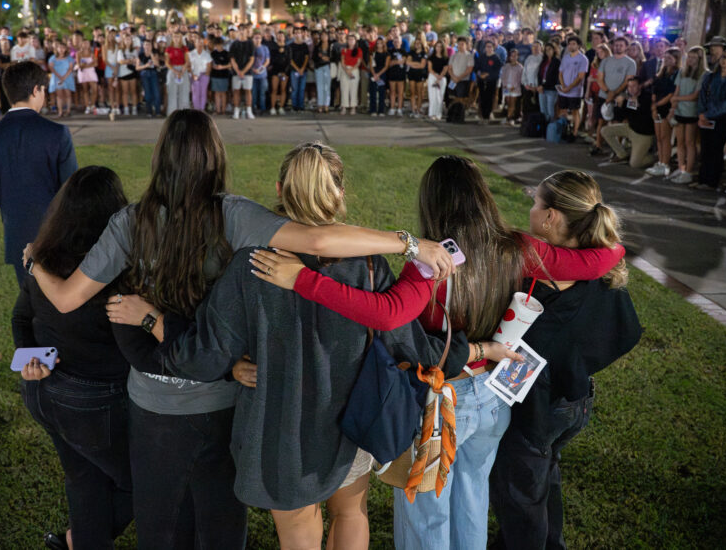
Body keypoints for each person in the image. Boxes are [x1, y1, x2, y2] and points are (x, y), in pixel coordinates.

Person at [26, 110, 457, 549]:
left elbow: (194, 348)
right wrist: (415, 252)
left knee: (214, 524)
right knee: (325, 516)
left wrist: (45, 269)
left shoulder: (239, 260)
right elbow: (337, 262)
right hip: (333, 415)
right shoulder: (345, 258)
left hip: (251, 421)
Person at [248, 155, 625, 550]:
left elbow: (387, 314)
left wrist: (303, 280)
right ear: (482, 197)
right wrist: (614, 243)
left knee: (426, 519)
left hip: (441, 403)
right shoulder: (517, 247)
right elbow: (593, 261)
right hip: (492, 398)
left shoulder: (431, 263)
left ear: (431, 203)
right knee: (472, 503)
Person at [489, 170, 641, 550]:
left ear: (551, 216)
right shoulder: (600, 263)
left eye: (536, 203)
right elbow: (622, 331)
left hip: (537, 407)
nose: (531, 209)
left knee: (520, 497)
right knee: (543, 478)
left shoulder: (541, 272)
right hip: (576, 400)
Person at [15, 166, 133, 550]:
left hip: (44, 394)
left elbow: (21, 317)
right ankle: (79, 540)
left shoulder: (41, 258)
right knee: (143, 480)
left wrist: (28, 360)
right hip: (92, 399)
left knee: (85, 479)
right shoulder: (113, 267)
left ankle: (81, 540)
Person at [0, 61, 78, 285]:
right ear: (35, 90)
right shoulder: (57, 133)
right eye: (44, 90)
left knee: (30, 306)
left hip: (17, 236)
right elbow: (72, 190)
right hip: (57, 237)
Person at [697, 47, 726, 189]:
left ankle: (711, 181)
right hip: (705, 116)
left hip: (722, 118)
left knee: (715, 149)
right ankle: (702, 179)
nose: (725, 61)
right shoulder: (711, 76)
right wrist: (701, 113)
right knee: (705, 148)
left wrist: (709, 114)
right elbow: (702, 95)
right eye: (724, 57)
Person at [668, 46, 706, 185]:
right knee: (680, 142)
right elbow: (676, 90)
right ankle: (680, 168)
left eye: (694, 57)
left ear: (700, 59)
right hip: (679, 111)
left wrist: (677, 100)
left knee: (690, 142)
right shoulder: (682, 72)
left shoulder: (703, 74)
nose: (690, 60)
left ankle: (688, 171)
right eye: (689, 57)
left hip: (691, 112)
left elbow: (695, 96)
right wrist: (673, 108)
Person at [601, 76, 656, 169]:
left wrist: (637, 105)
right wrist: (620, 105)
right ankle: (622, 154)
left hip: (643, 134)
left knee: (635, 164)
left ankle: (655, 157)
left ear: (639, 86)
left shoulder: (647, 96)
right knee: (605, 131)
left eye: (634, 86)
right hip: (630, 128)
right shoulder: (628, 98)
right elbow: (622, 116)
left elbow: (647, 117)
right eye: (629, 86)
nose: (631, 89)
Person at [646, 48, 680, 177]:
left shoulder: (676, 74)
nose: (666, 60)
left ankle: (665, 163)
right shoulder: (661, 73)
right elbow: (654, 90)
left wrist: (657, 104)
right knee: (659, 137)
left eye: (670, 58)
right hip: (657, 108)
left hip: (666, 108)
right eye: (665, 58)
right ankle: (660, 162)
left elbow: (671, 93)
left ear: (676, 59)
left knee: (665, 138)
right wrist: (654, 107)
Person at [557, 36, 589, 133]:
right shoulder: (566, 57)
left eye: (574, 44)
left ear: (579, 45)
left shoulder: (583, 59)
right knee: (563, 110)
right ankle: (564, 129)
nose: (571, 46)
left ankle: (574, 132)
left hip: (575, 91)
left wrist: (569, 87)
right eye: (570, 44)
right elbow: (561, 73)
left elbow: (580, 76)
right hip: (563, 90)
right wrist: (563, 86)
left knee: (575, 111)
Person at [475, 40, 503, 124]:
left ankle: (487, 116)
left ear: (493, 48)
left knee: (489, 99)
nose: (488, 48)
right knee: (482, 98)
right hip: (481, 81)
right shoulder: (482, 57)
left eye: (490, 47)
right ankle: (482, 116)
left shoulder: (496, 58)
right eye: (487, 46)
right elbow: (477, 67)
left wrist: (488, 74)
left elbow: (497, 71)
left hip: (491, 81)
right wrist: (480, 74)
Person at [164, 32, 191, 113]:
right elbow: (167, 62)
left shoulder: (184, 48)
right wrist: (175, 71)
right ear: (172, 38)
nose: (176, 38)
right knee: (172, 93)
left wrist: (182, 71)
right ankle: (172, 113)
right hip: (172, 70)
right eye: (174, 37)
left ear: (181, 38)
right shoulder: (168, 49)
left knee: (184, 92)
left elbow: (187, 61)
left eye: (178, 37)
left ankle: (183, 113)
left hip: (183, 69)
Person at [137, 39, 163, 117]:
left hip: (154, 73)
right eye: (146, 45)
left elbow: (157, 64)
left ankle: (158, 111)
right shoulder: (140, 55)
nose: (147, 47)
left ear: (151, 46)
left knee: (156, 92)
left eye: (149, 45)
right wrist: (145, 66)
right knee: (147, 93)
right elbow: (137, 67)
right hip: (145, 74)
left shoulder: (155, 54)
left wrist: (151, 55)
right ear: (143, 46)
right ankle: (149, 111)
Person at [338, 35, 363, 115]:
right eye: (349, 39)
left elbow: (359, 62)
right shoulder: (344, 50)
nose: (351, 41)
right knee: (344, 88)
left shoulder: (358, 50)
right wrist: (346, 70)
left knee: (354, 89)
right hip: (345, 69)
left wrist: (351, 70)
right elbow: (342, 61)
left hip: (354, 70)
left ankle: (353, 107)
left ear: (355, 41)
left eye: (352, 39)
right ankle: (344, 106)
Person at [537, 43, 561, 122]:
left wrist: (544, 85)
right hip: (542, 89)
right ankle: (543, 127)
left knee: (550, 110)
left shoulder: (557, 62)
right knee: (543, 110)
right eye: (546, 50)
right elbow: (540, 74)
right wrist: (540, 85)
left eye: (549, 49)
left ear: (554, 50)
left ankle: (550, 128)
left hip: (551, 89)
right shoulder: (544, 61)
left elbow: (555, 77)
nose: (548, 52)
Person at [406, 36, 429, 118]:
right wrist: (416, 65)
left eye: (419, 43)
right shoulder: (411, 52)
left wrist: (413, 64)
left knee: (419, 93)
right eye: (416, 43)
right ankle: (413, 110)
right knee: (412, 92)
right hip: (412, 74)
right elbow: (408, 62)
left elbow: (422, 65)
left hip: (420, 75)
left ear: (421, 44)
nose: (417, 45)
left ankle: (418, 110)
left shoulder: (424, 54)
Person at [288, 27, 310, 113]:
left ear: (302, 34)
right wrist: (297, 69)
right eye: (296, 33)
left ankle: (301, 106)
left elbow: (306, 57)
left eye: (299, 32)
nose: (298, 34)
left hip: (303, 70)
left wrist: (302, 68)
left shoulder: (304, 45)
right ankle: (294, 106)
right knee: (295, 89)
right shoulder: (291, 46)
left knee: (302, 89)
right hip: (294, 70)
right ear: (293, 34)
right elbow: (290, 59)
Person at [427, 40, 450, 120]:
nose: (438, 48)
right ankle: (432, 113)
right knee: (432, 96)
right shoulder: (431, 57)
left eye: (440, 46)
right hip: (433, 76)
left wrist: (440, 76)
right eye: (437, 46)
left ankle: (438, 114)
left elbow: (445, 68)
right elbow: (430, 69)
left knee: (440, 96)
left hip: (442, 78)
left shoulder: (446, 58)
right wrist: (436, 76)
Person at [189, 33, 212, 112]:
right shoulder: (191, 54)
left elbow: (209, 65)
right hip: (194, 75)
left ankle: (202, 109)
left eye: (201, 42)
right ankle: (196, 109)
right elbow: (189, 66)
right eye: (198, 42)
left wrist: (206, 75)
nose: (199, 44)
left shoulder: (206, 54)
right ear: (195, 43)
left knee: (203, 92)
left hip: (204, 74)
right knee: (195, 92)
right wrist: (193, 75)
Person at [269, 31, 290, 115]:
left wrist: (285, 72)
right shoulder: (273, 48)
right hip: (275, 72)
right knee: (274, 89)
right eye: (279, 36)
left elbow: (289, 60)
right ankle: (273, 107)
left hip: (284, 73)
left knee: (283, 89)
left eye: (282, 36)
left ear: (284, 38)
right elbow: (272, 61)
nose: (281, 37)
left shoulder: (288, 48)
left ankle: (281, 107)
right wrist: (279, 52)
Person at [500, 49, 523, 125]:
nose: (513, 57)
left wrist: (514, 86)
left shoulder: (520, 67)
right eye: (512, 56)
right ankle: (508, 116)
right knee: (508, 102)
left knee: (512, 103)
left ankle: (510, 118)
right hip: (506, 87)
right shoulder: (506, 66)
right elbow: (503, 77)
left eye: (515, 56)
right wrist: (505, 85)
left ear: (518, 57)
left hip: (515, 88)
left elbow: (520, 79)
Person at [387, 36, 408, 116]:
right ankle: (392, 108)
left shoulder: (404, 51)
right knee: (392, 92)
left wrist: (394, 61)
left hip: (401, 74)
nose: (396, 43)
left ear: (401, 42)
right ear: (393, 43)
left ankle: (399, 108)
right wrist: (397, 61)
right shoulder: (390, 51)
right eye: (395, 41)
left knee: (400, 93)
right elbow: (389, 63)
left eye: (398, 41)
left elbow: (404, 61)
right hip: (392, 74)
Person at [251, 32, 271, 114]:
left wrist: (261, 69)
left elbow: (267, 61)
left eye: (259, 38)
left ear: (261, 39)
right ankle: (254, 107)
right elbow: (248, 60)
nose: (257, 39)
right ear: (253, 39)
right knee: (254, 93)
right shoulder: (250, 48)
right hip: (252, 74)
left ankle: (262, 108)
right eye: (255, 38)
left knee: (262, 93)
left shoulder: (265, 48)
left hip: (262, 74)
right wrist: (252, 69)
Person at [369, 38, 389, 117]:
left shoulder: (387, 54)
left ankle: (381, 110)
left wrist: (379, 74)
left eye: (381, 43)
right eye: (378, 43)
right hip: (374, 73)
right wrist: (374, 74)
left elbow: (386, 66)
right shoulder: (373, 53)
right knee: (373, 92)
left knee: (381, 92)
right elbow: (371, 65)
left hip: (382, 73)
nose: (379, 45)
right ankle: (373, 110)